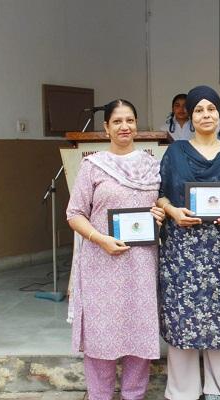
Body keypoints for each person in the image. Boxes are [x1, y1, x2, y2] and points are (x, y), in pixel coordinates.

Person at [66, 99, 165, 400]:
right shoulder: (93, 166)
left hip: (141, 263)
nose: (125, 126)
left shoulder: (152, 166)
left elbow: (161, 201)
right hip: (101, 261)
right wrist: (100, 239)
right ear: (106, 127)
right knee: (101, 336)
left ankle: (134, 395)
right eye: (118, 121)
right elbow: (74, 214)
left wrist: (161, 210)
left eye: (130, 120)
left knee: (139, 332)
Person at [157, 86, 220, 400]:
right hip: (181, 248)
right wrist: (171, 211)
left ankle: (217, 390)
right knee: (182, 316)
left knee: (219, 316)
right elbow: (160, 193)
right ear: (190, 116)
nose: (206, 115)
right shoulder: (175, 152)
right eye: (199, 110)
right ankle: (182, 390)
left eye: (211, 109)